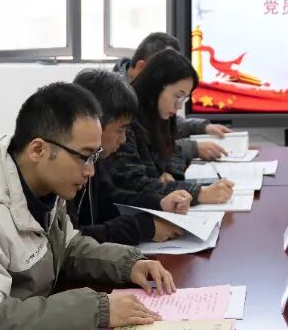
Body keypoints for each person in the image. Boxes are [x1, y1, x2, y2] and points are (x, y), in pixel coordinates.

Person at [0, 82, 176, 330]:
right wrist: (96, 309)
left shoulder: (39, 181)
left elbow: (67, 246)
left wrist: (128, 263)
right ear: (38, 149)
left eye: (94, 157)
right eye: (84, 157)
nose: (91, 171)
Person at [70, 69, 187, 245]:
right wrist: (144, 228)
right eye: (121, 129)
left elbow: (112, 198)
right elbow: (72, 240)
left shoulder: (94, 161)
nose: (124, 139)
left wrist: (160, 202)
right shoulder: (64, 171)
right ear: (95, 124)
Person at [106, 49, 235, 206]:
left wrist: (166, 175)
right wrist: (199, 194)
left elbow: (171, 155)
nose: (179, 106)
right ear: (156, 86)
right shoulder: (127, 119)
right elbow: (132, 183)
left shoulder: (159, 116)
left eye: (184, 99)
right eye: (178, 96)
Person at [114, 32, 232, 161]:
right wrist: (192, 148)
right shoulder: (117, 100)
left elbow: (165, 124)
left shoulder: (150, 101)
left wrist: (202, 127)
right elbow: (148, 150)